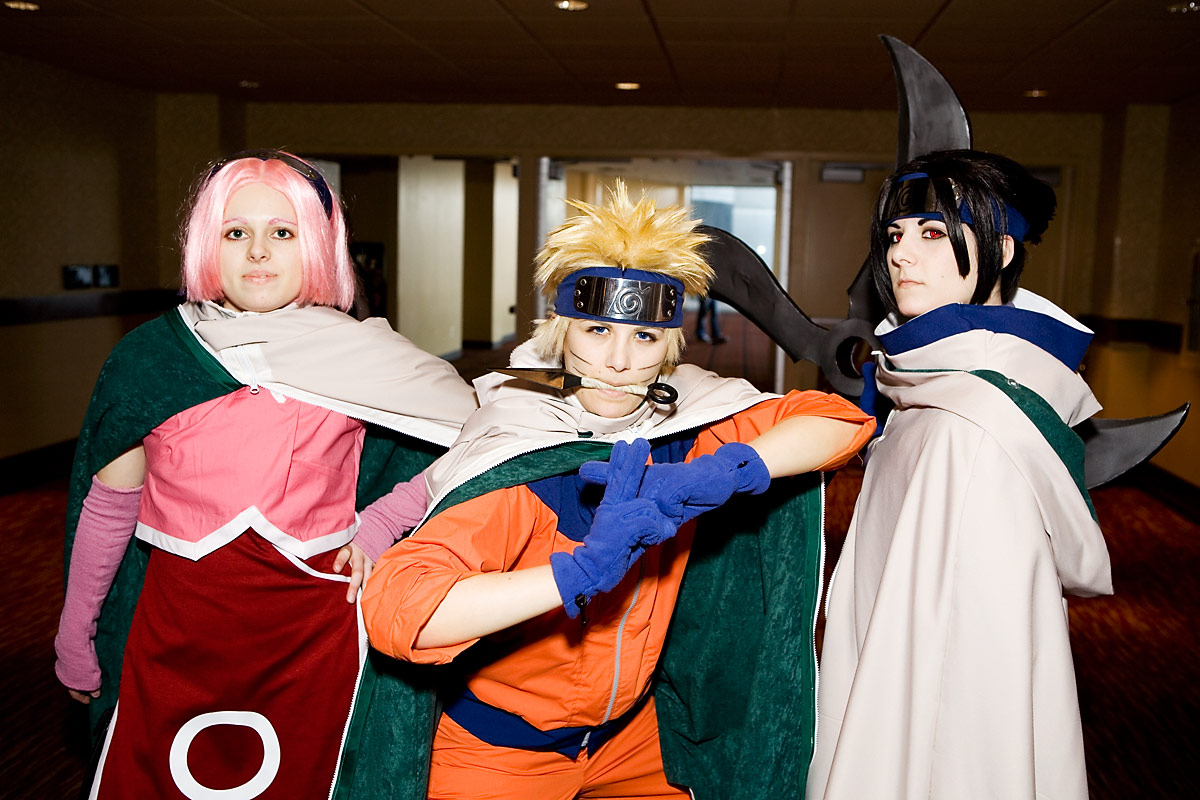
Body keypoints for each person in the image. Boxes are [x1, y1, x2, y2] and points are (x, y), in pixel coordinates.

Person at [361, 183, 875, 799]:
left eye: (644, 337)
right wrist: (575, 574)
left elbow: (839, 421)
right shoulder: (523, 448)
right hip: (501, 749)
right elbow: (399, 611)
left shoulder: (688, 419)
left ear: (669, 348)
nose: (619, 361)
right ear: (562, 334)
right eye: (597, 331)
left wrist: (722, 471)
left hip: (633, 739)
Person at [53, 150, 477, 799]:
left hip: (313, 632)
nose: (258, 251)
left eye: (282, 232)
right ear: (207, 244)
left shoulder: (365, 355)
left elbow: (474, 445)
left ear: (317, 247)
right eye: (235, 232)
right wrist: (74, 633)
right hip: (176, 634)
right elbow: (110, 505)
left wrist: (380, 524)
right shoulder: (157, 357)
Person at [807, 150, 1113, 799]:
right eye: (895, 235)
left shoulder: (974, 422)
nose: (901, 254)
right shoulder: (930, 382)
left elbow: (977, 685)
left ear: (1001, 250)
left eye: (932, 233)